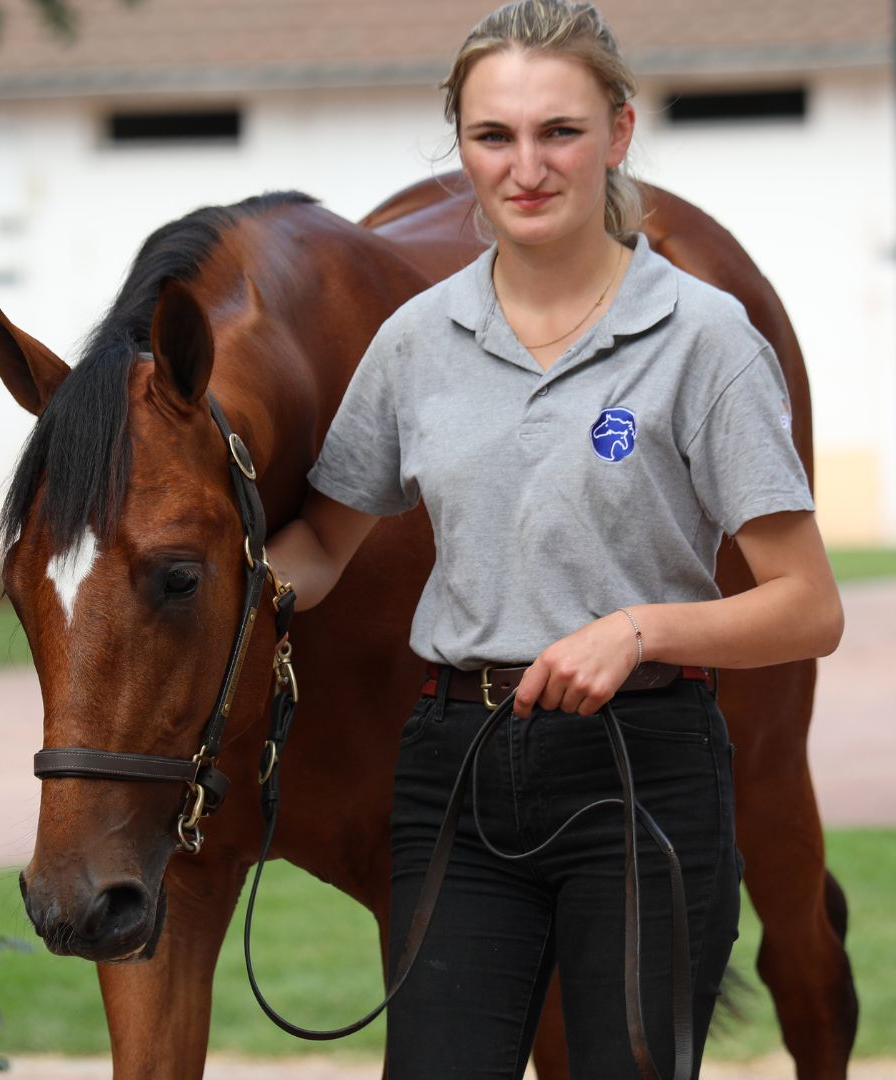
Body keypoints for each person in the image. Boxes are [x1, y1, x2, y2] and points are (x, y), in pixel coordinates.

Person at [263, 3, 844, 1076]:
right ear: (461, 146)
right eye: (494, 136)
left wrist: (638, 630)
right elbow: (322, 549)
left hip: (644, 770)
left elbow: (809, 607)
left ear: (618, 133)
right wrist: (220, 587)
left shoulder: (704, 337)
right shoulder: (415, 342)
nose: (525, 168)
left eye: (559, 132)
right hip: (455, 773)